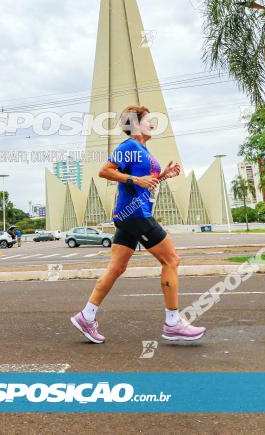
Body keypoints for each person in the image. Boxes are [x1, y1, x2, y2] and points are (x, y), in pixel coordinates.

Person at [70, 105, 206, 343]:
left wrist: (163, 175)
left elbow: (145, 182)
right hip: (136, 214)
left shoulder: (143, 149)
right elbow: (105, 171)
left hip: (129, 215)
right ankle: (173, 322)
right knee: (171, 260)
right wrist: (135, 179)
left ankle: (86, 316)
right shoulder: (129, 146)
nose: (152, 123)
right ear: (135, 124)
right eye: (148, 120)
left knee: (117, 268)